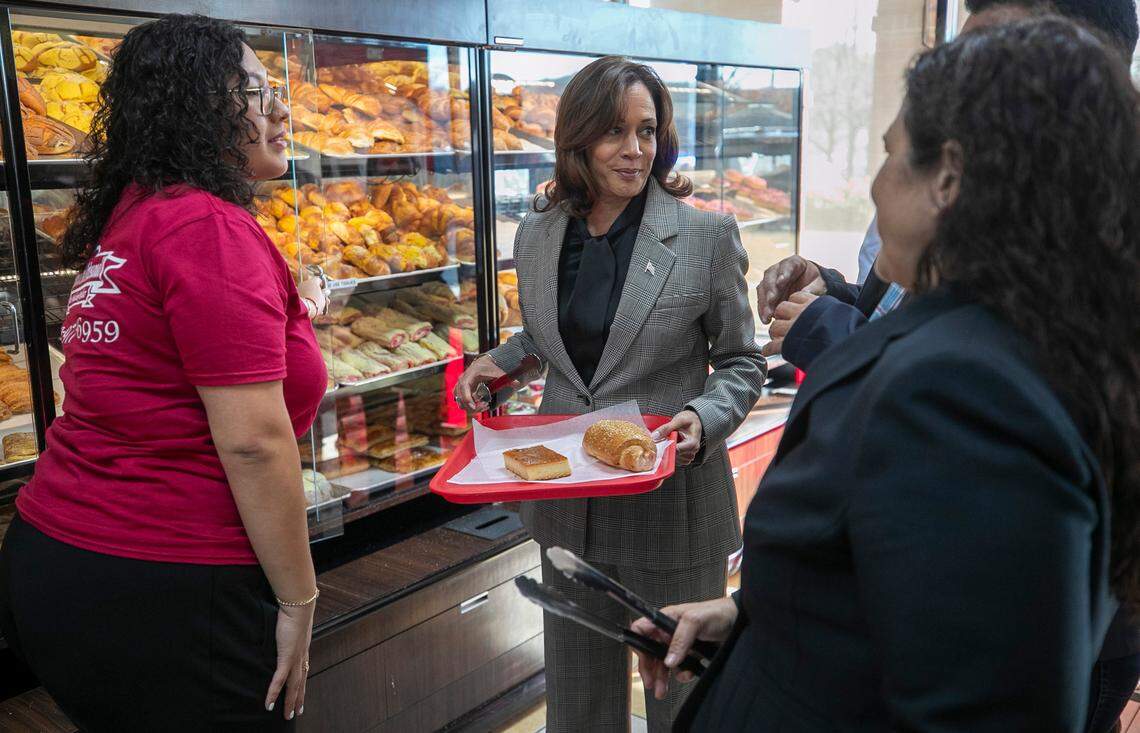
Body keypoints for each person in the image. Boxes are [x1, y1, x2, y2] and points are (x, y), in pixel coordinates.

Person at [633, 17, 1140, 731]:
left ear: (949, 179)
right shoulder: (1009, 341)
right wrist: (762, 622)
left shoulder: (957, 397)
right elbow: (909, 592)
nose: (873, 186)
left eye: (892, 156)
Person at [0, 14, 328, 731]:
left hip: (56, 560)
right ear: (199, 105)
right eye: (254, 89)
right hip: (167, 585)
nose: (278, 107)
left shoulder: (137, 214)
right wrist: (300, 601)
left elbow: (153, 366)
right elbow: (254, 441)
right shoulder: (207, 225)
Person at [454, 56, 766, 732]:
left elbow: (744, 361)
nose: (635, 150)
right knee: (578, 710)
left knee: (681, 705)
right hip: (568, 505)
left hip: (671, 505)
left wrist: (701, 418)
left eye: (647, 131)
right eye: (615, 133)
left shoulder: (705, 238)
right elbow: (549, 340)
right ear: (578, 139)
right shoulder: (538, 232)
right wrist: (498, 365)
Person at [758, 0, 1140, 372]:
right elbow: (899, 315)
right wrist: (832, 292)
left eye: (988, 62)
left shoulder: (1076, 260)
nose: (955, 87)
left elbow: (956, 382)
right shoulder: (952, 202)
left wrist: (832, 333)